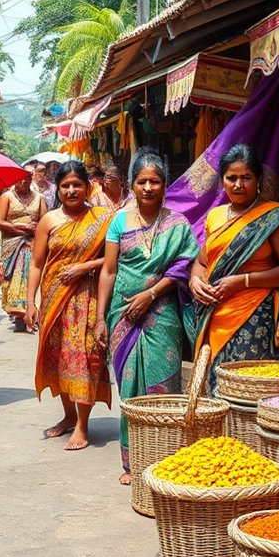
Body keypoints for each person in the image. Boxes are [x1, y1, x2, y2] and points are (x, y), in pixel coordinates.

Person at [95, 149, 199, 485]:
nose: (149, 187)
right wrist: (100, 318)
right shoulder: (118, 222)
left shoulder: (178, 224)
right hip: (122, 315)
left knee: (163, 385)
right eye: (142, 181)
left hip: (162, 313)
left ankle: (163, 458)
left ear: (165, 185)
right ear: (132, 184)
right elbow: (109, 270)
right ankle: (132, 461)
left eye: (155, 181)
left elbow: (184, 266)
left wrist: (151, 293)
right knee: (129, 390)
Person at [189, 144, 279, 393]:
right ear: (222, 180)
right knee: (217, 386)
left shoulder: (272, 219)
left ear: (258, 180)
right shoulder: (215, 216)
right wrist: (195, 281)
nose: (238, 185)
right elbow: (203, 261)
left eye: (246, 178)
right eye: (231, 178)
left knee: (248, 388)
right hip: (215, 311)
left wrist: (242, 281)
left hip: (255, 314)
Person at [26, 161, 112, 450]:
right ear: (58, 189)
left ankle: (82, 425)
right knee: (59, 357)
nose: (72, 190)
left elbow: (116, 257)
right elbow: (37, 264)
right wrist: (30, 303)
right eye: (66, 185)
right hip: (54, 298)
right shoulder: (49, 220)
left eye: (77, 184)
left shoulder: (103, 218)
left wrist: (84, 266)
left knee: (84, 358)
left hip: (87, 298)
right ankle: (67, 416)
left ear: (88, 187)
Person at [0, 170, 46, 332]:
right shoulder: (7, 197)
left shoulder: (39, 198)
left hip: (32, 242)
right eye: (20, 179)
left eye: (27, 179)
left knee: (29, 275)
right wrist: (21, 227)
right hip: (12, 243)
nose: (23, 182)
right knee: (14, 278)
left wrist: (36, 230)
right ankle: (17, 314)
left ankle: (29, 311)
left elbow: (45, 220)